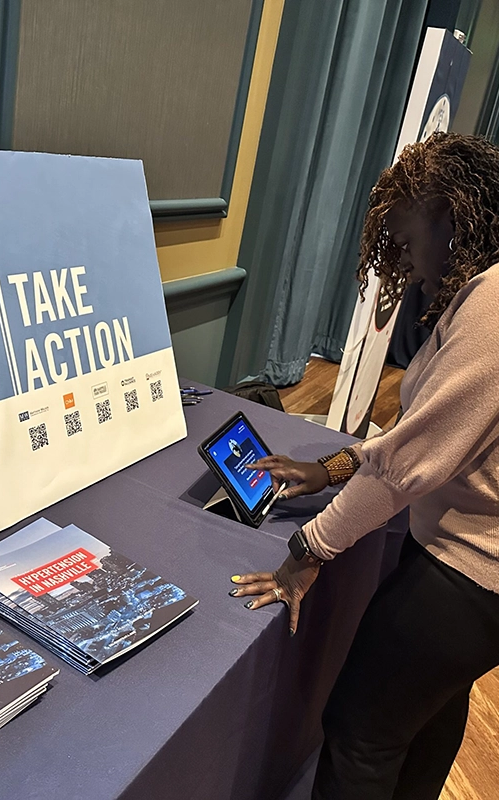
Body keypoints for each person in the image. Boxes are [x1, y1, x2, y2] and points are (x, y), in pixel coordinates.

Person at [231, 132, 499, 800]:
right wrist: (333, 468)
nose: (409, 267)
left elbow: (410, 464)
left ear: (447, 211)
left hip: (468, 577)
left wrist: (307, 548)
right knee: (426, 715)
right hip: (476, 582)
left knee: (360, 735)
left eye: (408, 243)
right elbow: (432, 433)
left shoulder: (492, 305)